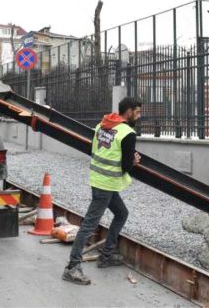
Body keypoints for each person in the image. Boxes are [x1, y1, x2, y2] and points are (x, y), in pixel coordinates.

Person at [62, 97, 142, 285]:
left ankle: (106, 256)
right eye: (137, 112)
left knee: (122, 213)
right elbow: (125, 167)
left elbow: (93, 151)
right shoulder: (128, 133)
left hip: (99, 180)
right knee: (89, 224)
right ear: (128, 112)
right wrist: (133, 161)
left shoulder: (102, 125)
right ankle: (72, 267)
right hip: (107, 183)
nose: (139, 116)